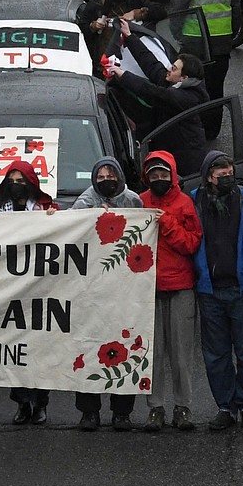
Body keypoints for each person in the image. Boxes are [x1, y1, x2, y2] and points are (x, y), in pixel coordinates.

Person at [192, 151, 243, 431]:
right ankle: (225, 405)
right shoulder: (194, 201)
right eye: (219, 175)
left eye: (229, 174)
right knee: (216, 354)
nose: (226, 179)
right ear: (208, 178)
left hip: (242, 289)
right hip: (209, 290)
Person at [72, 157, 143, 432]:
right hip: (92, 289)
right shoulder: (84, 202)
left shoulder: (133, 201)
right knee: (89, 347)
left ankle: (122, 411)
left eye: (110, 174)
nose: (105, 179)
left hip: (126, 288)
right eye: (100, 175)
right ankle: (88, 411)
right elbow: (72, 232)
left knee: (126, 346)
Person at [0, 162, 57, 425]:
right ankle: (22, 403)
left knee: (39, 349)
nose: (16, 184)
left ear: (31, 182)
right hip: (10, 291)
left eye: (21, 179)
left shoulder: (47, 209)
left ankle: (41, 403)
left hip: (40, 290)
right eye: (11, 180)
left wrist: (55, 219)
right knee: (15, 349)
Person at [140, 150, 202, 433]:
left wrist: (166, 223)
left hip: (180, 288)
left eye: (164, 174)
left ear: (173, 175)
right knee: (151, 352)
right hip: (148, 289)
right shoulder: (139, 203)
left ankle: (183, 406)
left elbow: (191, 244)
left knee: (181, 353)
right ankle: (155, 407)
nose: (159, 179)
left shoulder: (185, 203)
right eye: (154, 175)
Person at [106, 18, 210, 176]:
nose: (169, 69)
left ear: (184, 78)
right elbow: (151, 64)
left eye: (174, 68)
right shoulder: (176, 82)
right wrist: (129, 36)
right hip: (171, 148)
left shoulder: (185, 98)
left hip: (185, 159)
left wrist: (123, 75)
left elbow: (152, 92)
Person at [169, 0, 242, 140]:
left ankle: (193, 129)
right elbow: (236, 8)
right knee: (215, 88)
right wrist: (231, 34)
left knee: (191, 86)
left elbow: (178, 6)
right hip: (220, 45)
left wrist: (176, 33)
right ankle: (212, 131)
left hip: (194, 43)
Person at [76, 0, 166, 61]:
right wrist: (94, 26)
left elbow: (160, 11)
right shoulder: (97, 4)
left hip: (131, 55)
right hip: (103, 57)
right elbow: (82, 27)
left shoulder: (136, 1)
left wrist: (137, 13)